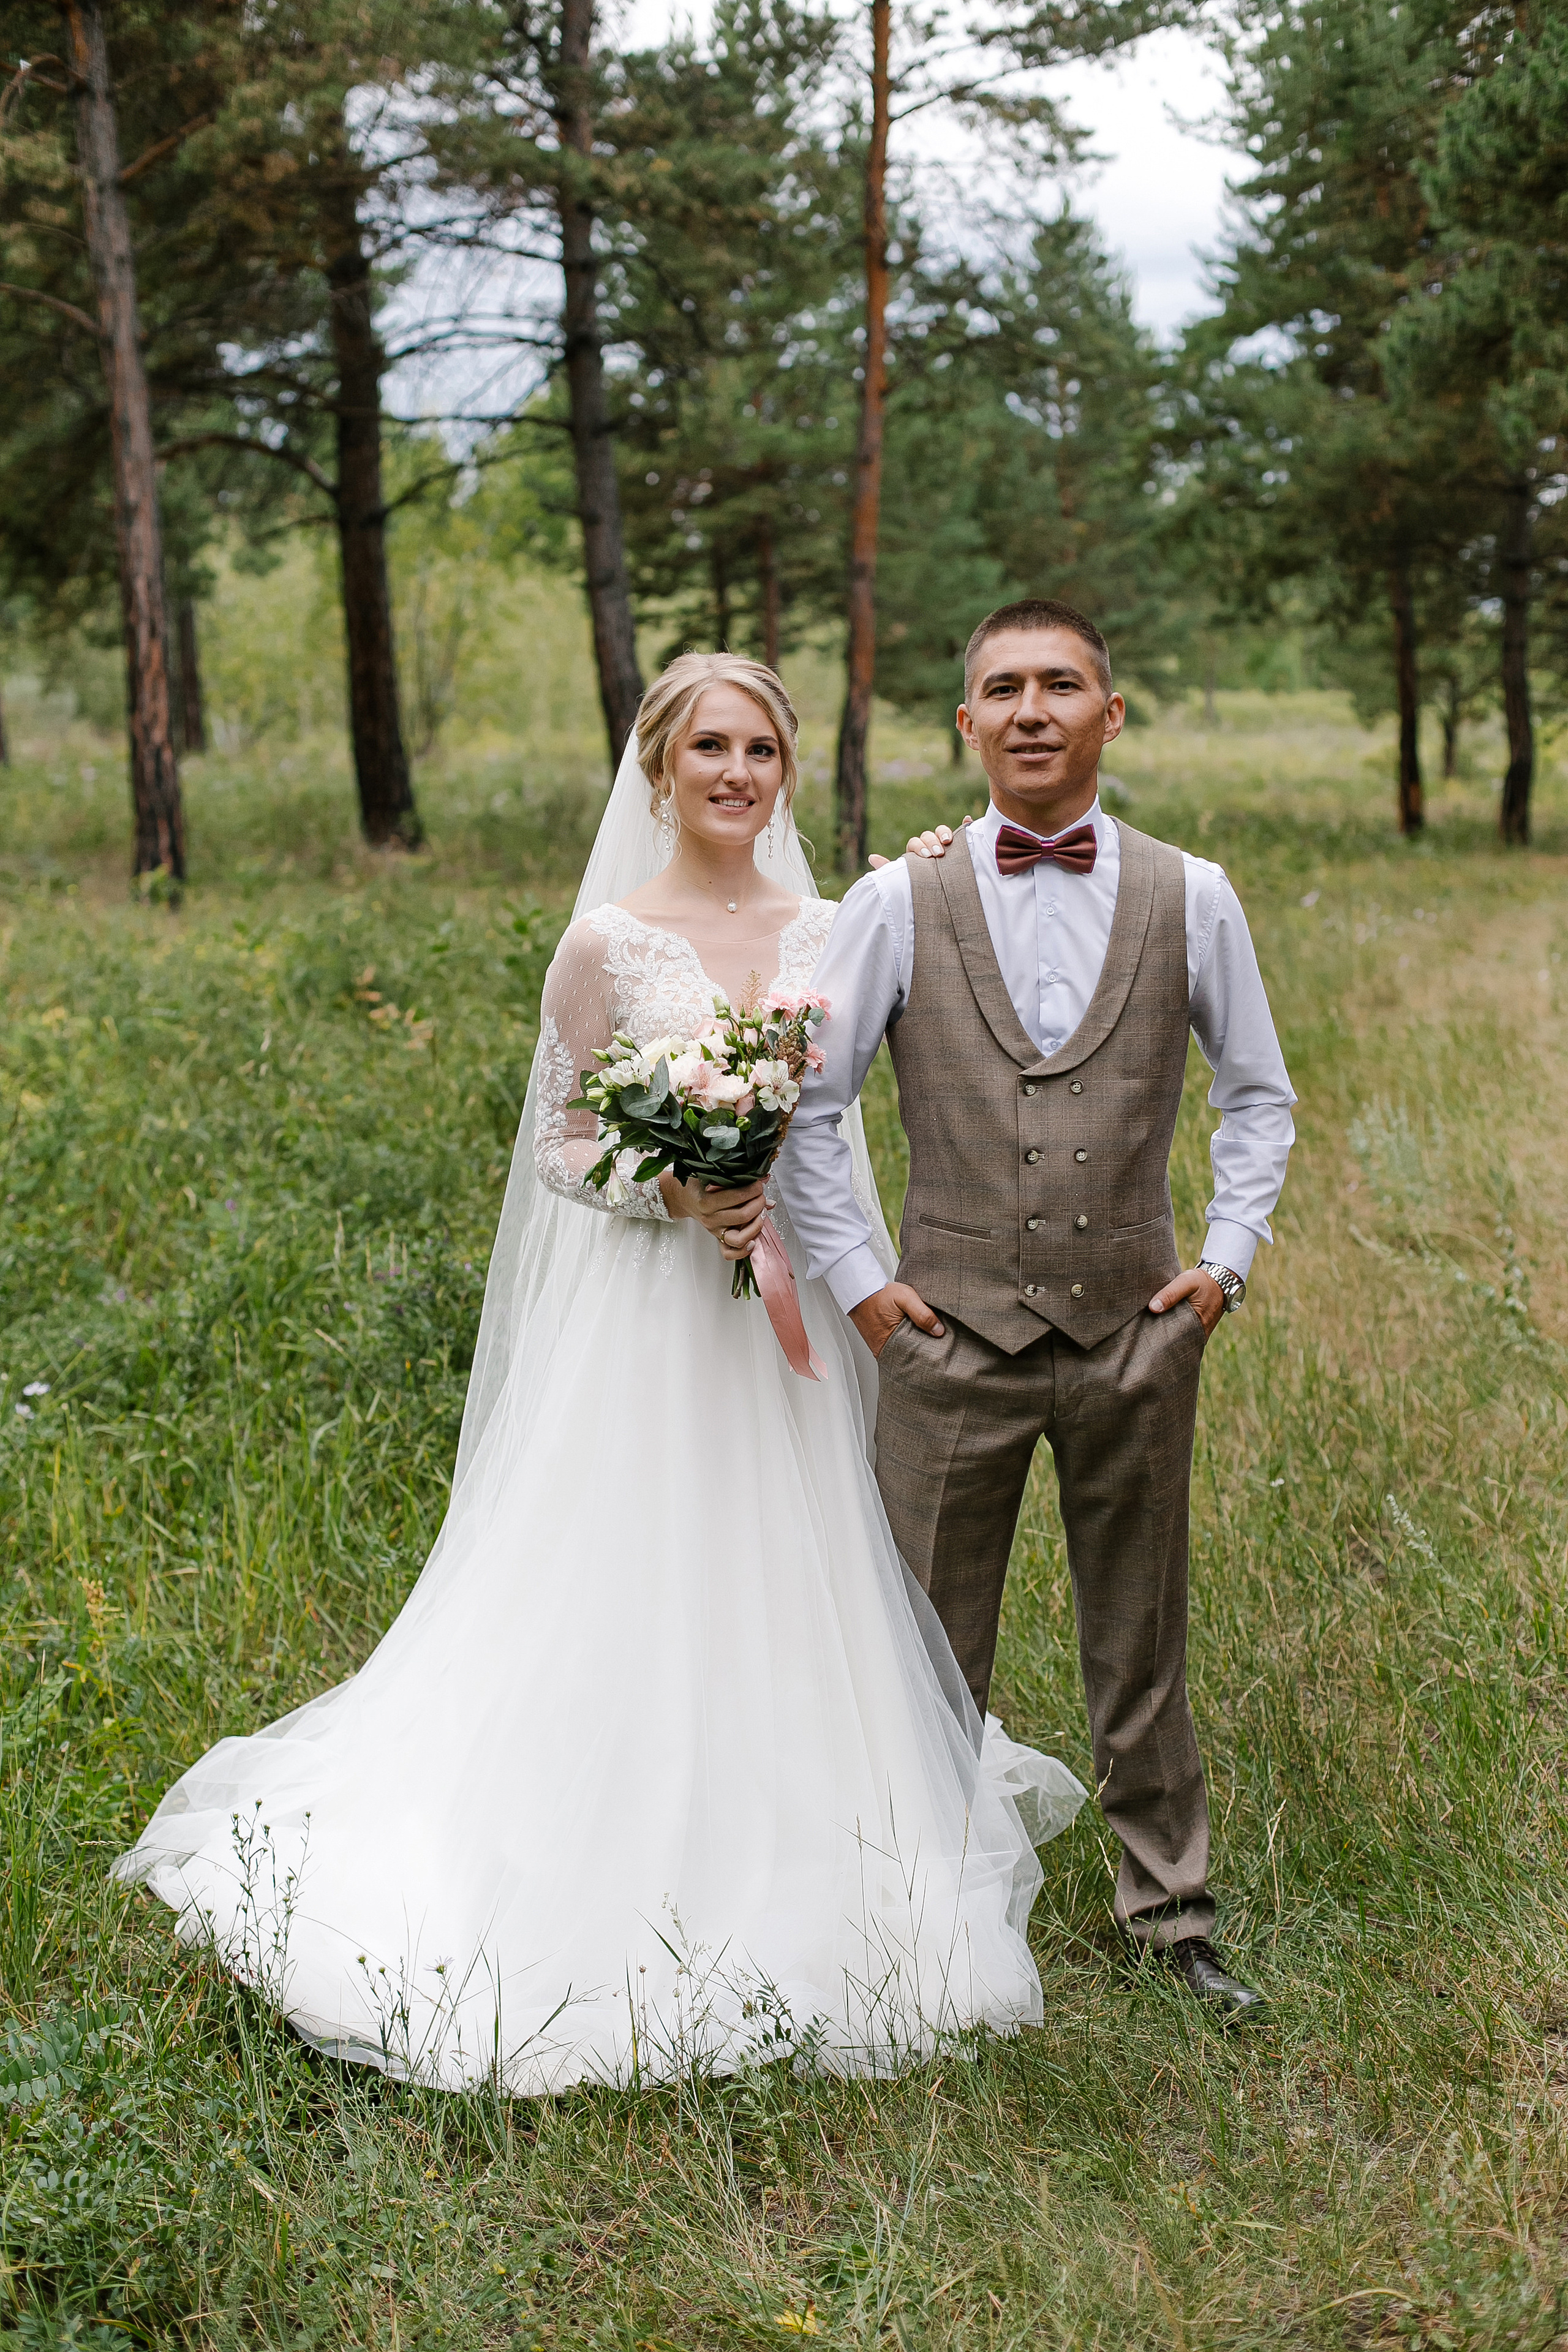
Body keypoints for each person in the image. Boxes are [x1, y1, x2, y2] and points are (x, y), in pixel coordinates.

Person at [114, 652, 1086, 2096]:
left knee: (793, 1560)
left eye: (760, 749)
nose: (737, 774)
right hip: (655, 1318)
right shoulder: (606, 944)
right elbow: (563, 1145)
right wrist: (678, 1193)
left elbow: (937, 971)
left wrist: (937, 863)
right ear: (657, 768)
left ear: (784, 767)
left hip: (794, 1310)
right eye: (709, 748)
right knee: (641, 1563)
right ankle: (602, 1834)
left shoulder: (837, 925)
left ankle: (811, 1822)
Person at [774, 601, 1296, 2020]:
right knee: (921, 1642)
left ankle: (1172, 1916)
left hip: (1135, 1331)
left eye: (1060, 685)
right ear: (965, 724)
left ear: (1107, 716)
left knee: (1139, 1636)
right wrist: (867, 1289)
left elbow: (1256, 1094)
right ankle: (908, 1919)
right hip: (943, 1340)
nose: (1029, 709)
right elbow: (812, 1112)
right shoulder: (896, 900)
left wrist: (1225, 1260)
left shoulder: (1194, 894)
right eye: (999, 688)